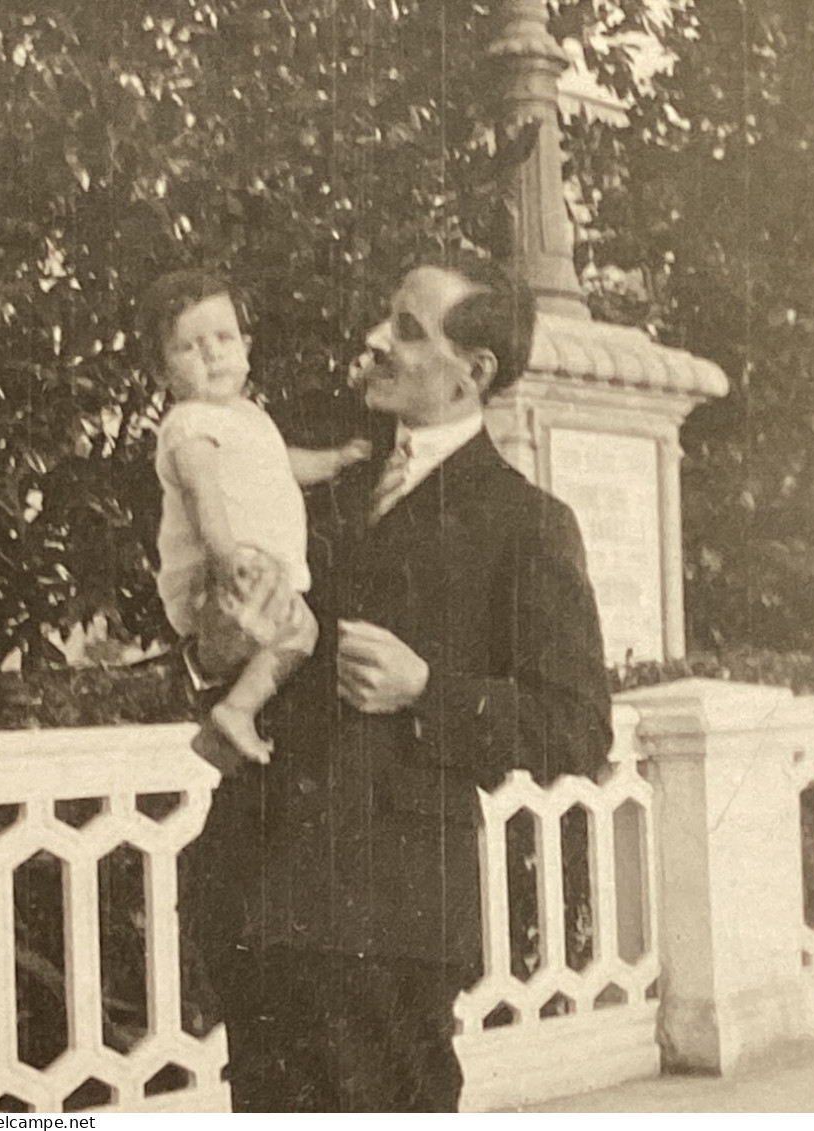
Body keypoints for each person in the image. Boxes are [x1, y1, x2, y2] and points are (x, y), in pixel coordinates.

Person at [184, 261, 613, 1112]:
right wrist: (219, 646)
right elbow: (226, 659)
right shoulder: (319, 495)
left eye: (409, 329)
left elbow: (578, 729)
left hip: (389, 923)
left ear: (475, 370)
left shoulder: (524, 521)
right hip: (259, 893)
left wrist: (427, 691)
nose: (377, 340)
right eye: (387, 318)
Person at [141, 270, 371, 765]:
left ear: (246, 347)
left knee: (295, 633)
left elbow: (280, 462)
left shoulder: (247, 417)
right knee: (297, 633)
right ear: (162, 373)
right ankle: (235, 710)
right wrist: (226, 558)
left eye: (224, 338)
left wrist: (334, 461)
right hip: (222, 567)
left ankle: (232, 714)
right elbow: (204, 497)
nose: (212, 353)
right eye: (189, 347)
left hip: (254, 568)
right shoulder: (188, 425)